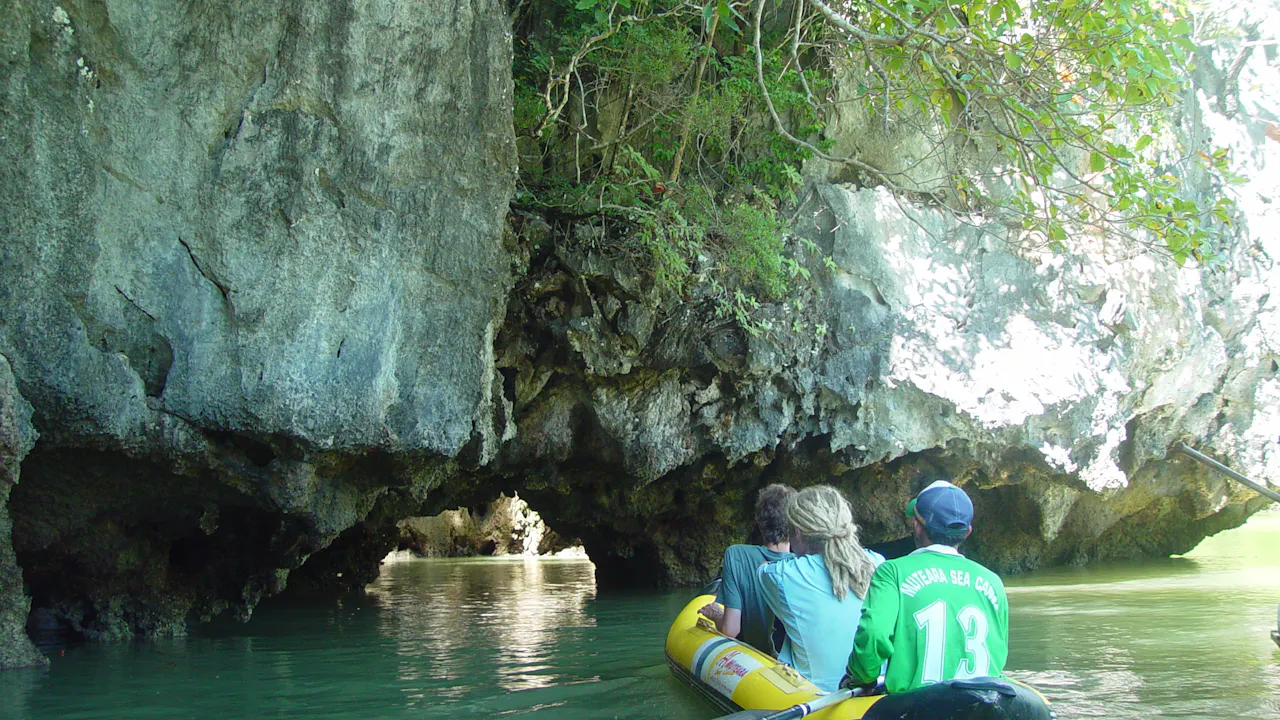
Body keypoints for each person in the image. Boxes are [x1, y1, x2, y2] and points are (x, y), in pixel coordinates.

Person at [847, 480, 1008, 694]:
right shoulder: (993, 581)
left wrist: (862, 678)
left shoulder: (892, 572)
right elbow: (998, 654)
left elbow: (874, 635)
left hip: (915, 705)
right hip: (981, 700)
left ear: (917, 526)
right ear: (967, 531)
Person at [757, 485, 885, 692]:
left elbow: (764, 570)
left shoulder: (779, 576)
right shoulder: (878, 563)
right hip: (874, 693)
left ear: (797, 533)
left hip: (814, 695)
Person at [700, 484, 797, 655]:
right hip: (791, 665)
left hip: (752, 660)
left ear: (759, 522)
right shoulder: (804, 565)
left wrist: (715, 615)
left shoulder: (736, 555)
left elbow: (730, 629)